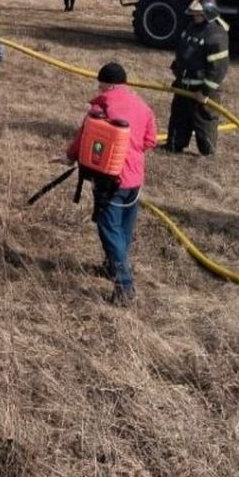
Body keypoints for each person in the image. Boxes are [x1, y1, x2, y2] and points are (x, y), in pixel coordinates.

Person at [58, 62, 157, 306]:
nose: (99, 88)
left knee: (108, 227)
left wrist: (69, 157)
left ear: (108, 84)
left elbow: (85, 138)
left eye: (100, 84)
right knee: (123, 227)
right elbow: (150, 141)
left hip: (110, 180)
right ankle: (111, 266)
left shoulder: (101, 107)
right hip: (134, 180)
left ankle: (124, 285)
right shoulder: (143, 107)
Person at [163, 0, 230, 158]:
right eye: (194, 14)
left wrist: (205, 91)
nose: (195, 17)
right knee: (179, 117)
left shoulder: (216, 35)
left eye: (198, 15)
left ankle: (207, 152)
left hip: (201, 91)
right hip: (184, 85)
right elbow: (184, 52)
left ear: (209, 14)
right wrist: (177, 71)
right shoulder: (192, 28)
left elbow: (218, 68)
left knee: (204, 121)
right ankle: (174, 144)